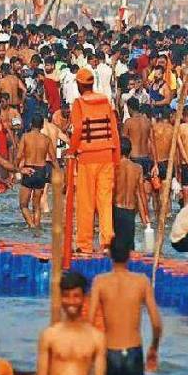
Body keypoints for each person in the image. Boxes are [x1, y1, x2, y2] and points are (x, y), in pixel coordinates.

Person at [87, 238, 162, 375]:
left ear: (110, 255)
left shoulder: (100, 282)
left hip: (110, 352)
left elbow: (90, 323)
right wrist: (153, 348)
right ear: (130, 255)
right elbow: (156, 322)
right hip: (133, 353)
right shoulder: (142, 281)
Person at [35, 271, 106, 375]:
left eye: (76, 296)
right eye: (66, 296)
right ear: (60, 298)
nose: (71, 301)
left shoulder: (96, 338)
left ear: (84, 298)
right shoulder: (50, 335)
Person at [68, 67, 121, 253]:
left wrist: (71, 151)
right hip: (107, 155)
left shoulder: (78, 104)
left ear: (79, 85)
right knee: (105, 202)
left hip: (87, 157)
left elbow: (78, 129)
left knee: (86, 202)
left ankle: (84, 245)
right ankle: (107, 243)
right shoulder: (105, 101)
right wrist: (117, 160)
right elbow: (114, 131)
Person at [17, 115, 54, 229]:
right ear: (42, 126)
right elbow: (53, 159)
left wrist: (17, 169)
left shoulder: (25, 137)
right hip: (41, 171)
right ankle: (37, 227)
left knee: (23, 205)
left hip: (29, 170)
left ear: (30, 125)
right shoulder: (46, 139)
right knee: (37, 206)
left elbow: (18, 156)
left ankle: (32, 226)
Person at [113, 138, 149, 252]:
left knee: (117, 247)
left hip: (116, 209)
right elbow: (141, 194)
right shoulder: (138, 168)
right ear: (130, 151)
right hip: (130, 211)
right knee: (130, 248)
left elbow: (110, 190)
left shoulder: (114, 166)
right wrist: (146, 216)